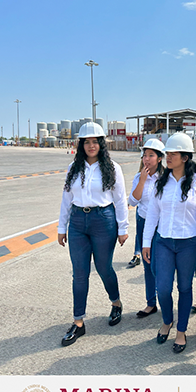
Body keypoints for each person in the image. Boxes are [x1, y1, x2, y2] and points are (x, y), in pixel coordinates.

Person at [57, 122, 129, 347]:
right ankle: (78, 322)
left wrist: (123, 228)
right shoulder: (73, 168)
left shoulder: (112, 167)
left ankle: (115, 303)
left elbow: (120, 199)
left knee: (104, 267)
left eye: (94, 141)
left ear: (101, 143)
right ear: (81, 145)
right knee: (79, 273)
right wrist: (62, 228)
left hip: (103, 221)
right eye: (86, 142)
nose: (90, 146)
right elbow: (67, 199)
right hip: (78, 222)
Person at [142, 133, 196, 354]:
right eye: (167, 154)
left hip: (189, 244)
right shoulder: (160, 183)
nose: (168, 157)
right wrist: (146, 242)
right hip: (163, 242)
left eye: (172, 154)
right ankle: (167, 320)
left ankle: (181, 331)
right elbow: (152, 214)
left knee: (184, 287)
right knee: (162, 287)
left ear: (185, 157)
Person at [127, 138, 165, 318]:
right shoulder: (138, 177)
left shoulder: (167, 177)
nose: (146, 159)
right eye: (145, 155)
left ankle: (165, 300)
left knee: (162, 266)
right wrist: (142, 180)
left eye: (151, 155)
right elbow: (133, 201)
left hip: (162, 224)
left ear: (159, 158)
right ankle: (151, 303)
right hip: (143, 222)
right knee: (147, 263)